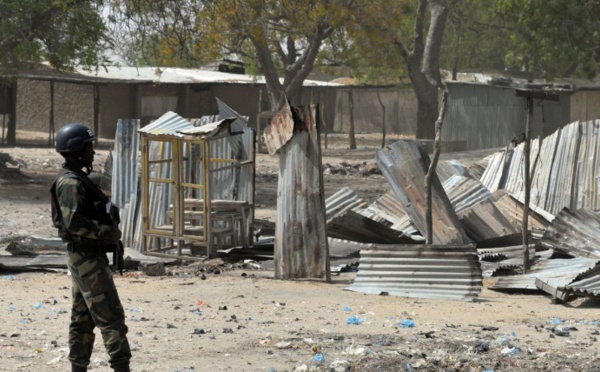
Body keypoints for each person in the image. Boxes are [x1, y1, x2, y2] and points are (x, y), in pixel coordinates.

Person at [50, 123, 132, 372]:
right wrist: (108, 232)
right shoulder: (71, 183)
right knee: (111, 318)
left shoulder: (79, 179)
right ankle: (121, 367)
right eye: (89, 147)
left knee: (83, 320)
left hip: (85, 258)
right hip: (87, 259)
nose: (93, 152)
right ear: (77, 150)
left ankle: (78, 367)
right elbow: (74, 222)